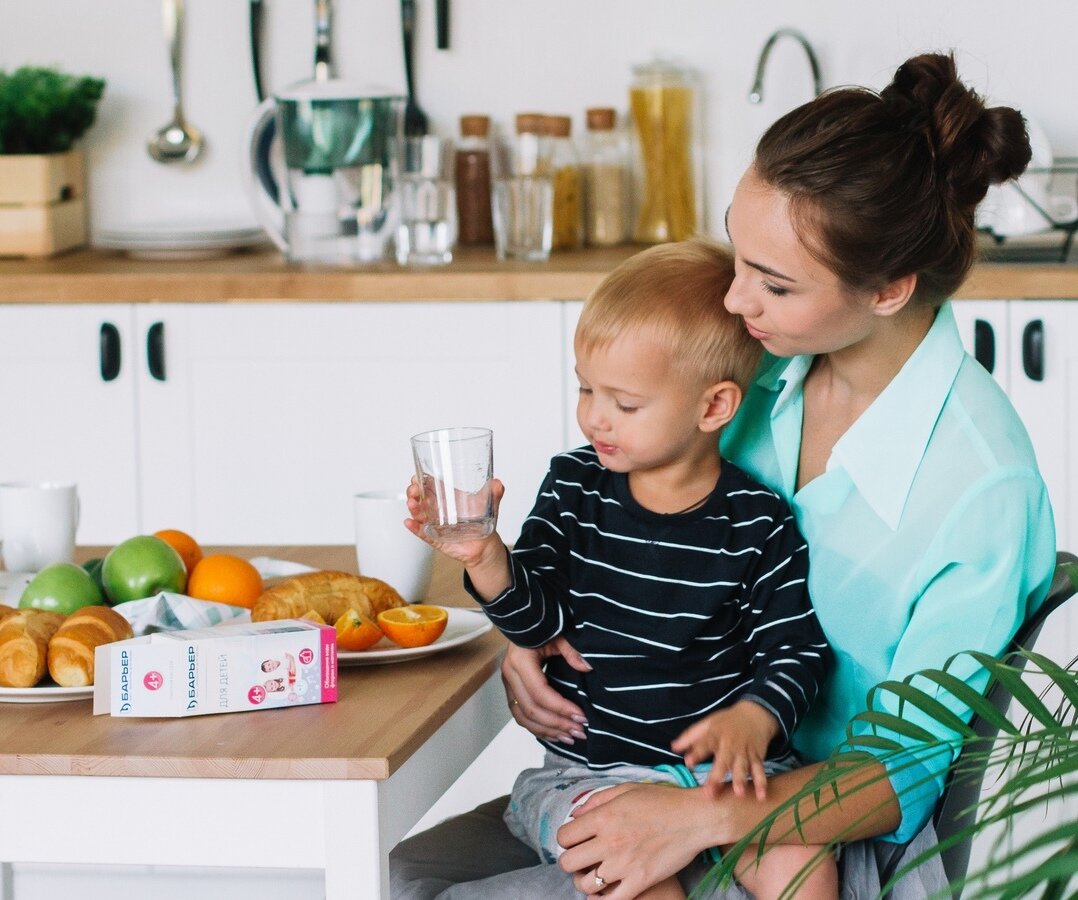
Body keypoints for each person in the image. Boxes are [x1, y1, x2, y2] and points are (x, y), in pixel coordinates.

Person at [390, 51, 1057, 899]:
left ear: (888, 289)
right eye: (739, 255)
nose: (735, 301)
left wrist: (701, 819)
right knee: (403, 867)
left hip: (814, 821)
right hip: (653, 758)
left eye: (773, 284)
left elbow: (901, 771)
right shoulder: (751, 375)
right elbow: (615, 544)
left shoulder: (981, 492)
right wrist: (527, 632)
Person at [404, 240, 835, 899]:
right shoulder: (575, 485)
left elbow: (796, 651)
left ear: (713, 407)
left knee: (800, 862)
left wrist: (755, 717)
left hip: (725, 777)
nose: (595, 416)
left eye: (625, 404)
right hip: (590, 776)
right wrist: (486, 556)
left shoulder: (757, 520)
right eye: (585, 388)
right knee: (631, 881)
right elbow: (538, 619)